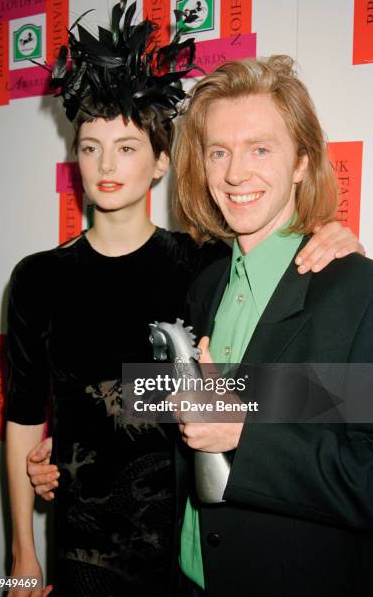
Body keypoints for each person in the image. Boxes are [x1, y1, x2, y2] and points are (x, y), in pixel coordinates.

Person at [6, 0, 231, 596]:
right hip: (82, 556)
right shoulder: (36, 279)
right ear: (75, 158)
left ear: (160, 161)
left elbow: (246, 386)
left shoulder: (204, 263)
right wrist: (22, 555)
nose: (106, 163)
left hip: (188, 552)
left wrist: (331, 235)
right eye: (90, 147)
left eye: (127, 147)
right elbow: (25, 418)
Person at [171, 55, 373, 597]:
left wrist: (246, 434)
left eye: (261, 149)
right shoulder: (204, 286)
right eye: (219, 152)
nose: (236, 173)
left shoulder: (357, 292)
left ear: (302, 162)